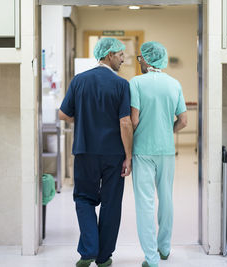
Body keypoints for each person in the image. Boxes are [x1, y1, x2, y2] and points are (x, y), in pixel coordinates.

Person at [58, 37, 133, 267]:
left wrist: (83, 120)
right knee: (111, 203)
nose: (123, 59)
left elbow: (63, 114)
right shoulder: (121, 85)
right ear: (109, 55)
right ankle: (103, 257)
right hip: (113, 154)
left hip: (85, 150)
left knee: (84, 198)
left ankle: (88, 250)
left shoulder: (79, 81)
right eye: (120, 54)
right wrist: (128, 156)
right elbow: (125, 123)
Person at [130, 41, 187, 267]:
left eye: (140, 58)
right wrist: (166, 131)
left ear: (146, 59)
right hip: (166, 150)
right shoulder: (174, 84)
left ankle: (151, 258)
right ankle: (164, 248)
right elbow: (183, 121)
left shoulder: (136, 82)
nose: (140, 61)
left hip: (142, 150)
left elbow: (133, 119)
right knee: (166, 198)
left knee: (145, 203)